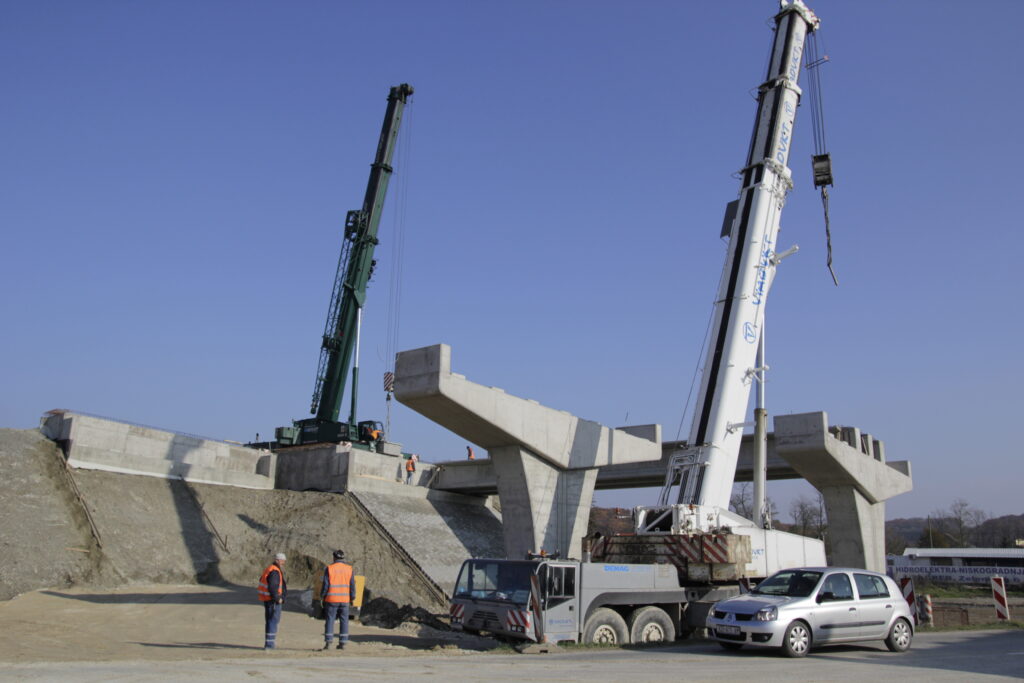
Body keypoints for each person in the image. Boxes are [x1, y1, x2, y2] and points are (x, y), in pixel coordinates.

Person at [321, 549, 356, 650]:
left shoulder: (330, 568)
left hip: (332, 599)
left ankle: (328, 642)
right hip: (345, 599)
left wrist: (322, 596)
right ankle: (343, 643)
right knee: (344, 621)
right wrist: (352, 597)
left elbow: (326, 585)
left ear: (334, 557)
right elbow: (352, 585)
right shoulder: (349, 569)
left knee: (330, 620)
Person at [257, 552, 287, 650]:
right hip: (273, 600)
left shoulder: (270, 569)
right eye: (283, 561)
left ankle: (269, 643)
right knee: (273, 621)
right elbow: (273, 586)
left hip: (268, 599)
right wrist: (277, 598)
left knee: (270, 620)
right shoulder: (274, 571)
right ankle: (269, 644)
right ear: (278, 560)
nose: (284, 563)